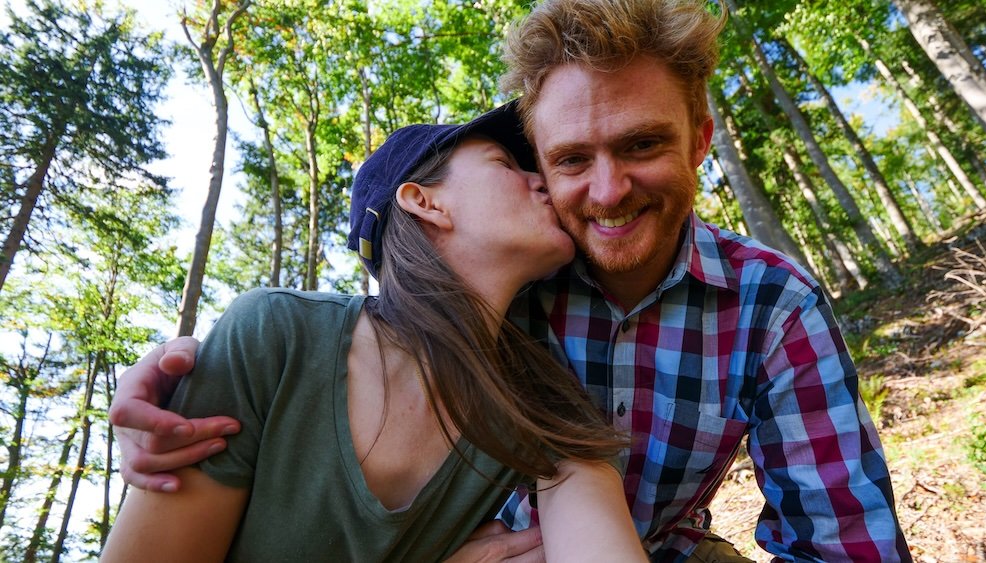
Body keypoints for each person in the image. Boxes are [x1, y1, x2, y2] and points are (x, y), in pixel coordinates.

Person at [110, 0, 912, 561]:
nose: (602, 193)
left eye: (640, 145)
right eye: (557, 161)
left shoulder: (764, 310)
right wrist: (186, 377)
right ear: (425, 204)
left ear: (701, 137)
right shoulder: (491, 316)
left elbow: (849, 541)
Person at [101, 105, 648, 562]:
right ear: (423, 201)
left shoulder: (537, 400)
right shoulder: (277, 336)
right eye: (506, 163)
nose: (543, 181)